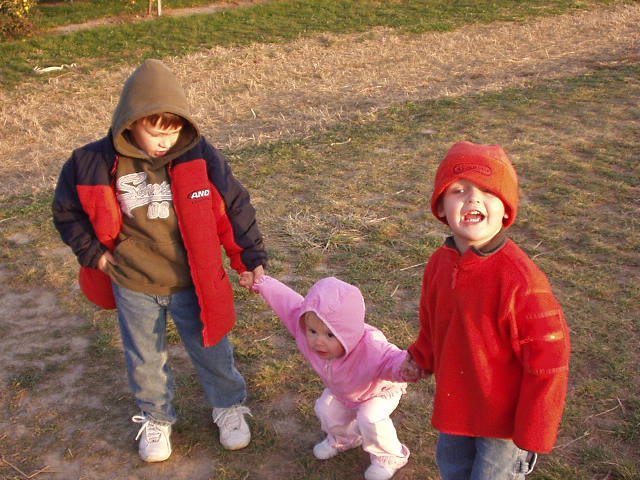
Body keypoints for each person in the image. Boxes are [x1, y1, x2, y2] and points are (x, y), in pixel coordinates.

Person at [52, 59, 267, 463]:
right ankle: (155, 417)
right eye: (155, 132)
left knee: (212, 348)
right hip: (133, 283)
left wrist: (249, 257)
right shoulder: (91, 162)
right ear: (130, 122)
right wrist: (94, 255)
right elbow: (67, 211)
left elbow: (234, 207)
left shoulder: (201, 157)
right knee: (145, 358)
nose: (165, 142)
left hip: (193, 282)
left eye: (174, 131)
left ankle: (229, 406)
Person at [400, 141, 571, 479]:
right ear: (441, 207)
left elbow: (550, 359)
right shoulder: (439, 264)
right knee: (452, 467)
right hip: (457, 403)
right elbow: (434, 323)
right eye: (459, 190)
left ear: (506, 209)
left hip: (504, 423)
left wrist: (535, 428)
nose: (473, 199)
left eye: (488, 193)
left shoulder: (521, 280)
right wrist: (422, 356)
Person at [253, 275, 410, 480]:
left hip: (380, 392)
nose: (318, 341)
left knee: (370, 418)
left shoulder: (372, 348)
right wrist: (262, 283)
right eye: (313, 331)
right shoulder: (304, 330)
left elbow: (394, 360)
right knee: (326, 409)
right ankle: (344, 439)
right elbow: (288, 303)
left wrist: (410, 367)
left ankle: (390, 456)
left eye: (330, 335)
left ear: (349, 333)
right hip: (344, 392)